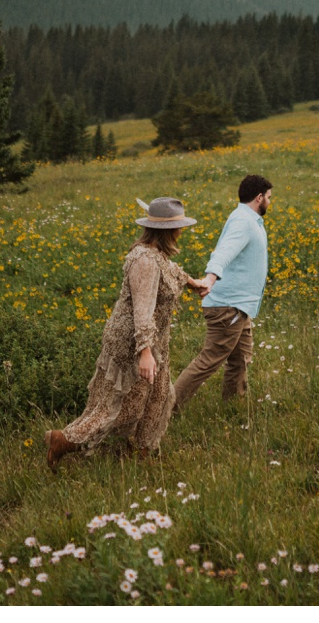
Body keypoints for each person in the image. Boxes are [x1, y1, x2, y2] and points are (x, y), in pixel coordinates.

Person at [45, 197, 208, 470]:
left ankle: (139, 453)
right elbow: (142, 313)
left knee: (158, 398)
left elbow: (172, 271)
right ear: (169, 231)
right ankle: (62, 440)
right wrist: (145, 353)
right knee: (120, 407)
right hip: (132, 343)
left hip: (153, 341)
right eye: (179, 227)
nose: (182, 231)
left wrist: (194, 284)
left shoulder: (154, 254)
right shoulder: (144, 261)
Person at [172, 174, 273, 413]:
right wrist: (210, 277)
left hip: (240, 306)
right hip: (229, 307)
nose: (270, 202)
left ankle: (232, 408)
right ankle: (164, 409)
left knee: (240, 360)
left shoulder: (246, 218)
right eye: (269, 197)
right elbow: (223, 253)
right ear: (259, 198)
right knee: (208, 361)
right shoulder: (243, 222)